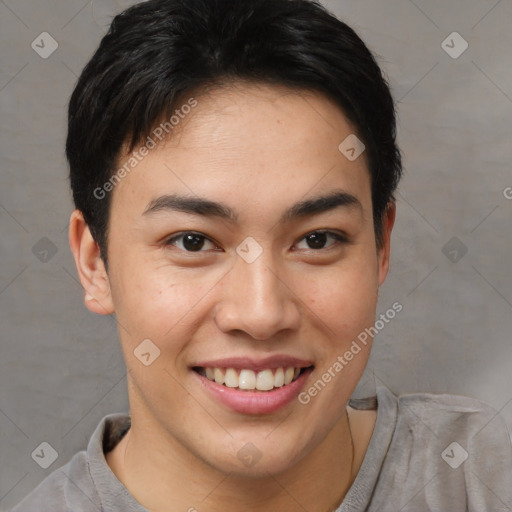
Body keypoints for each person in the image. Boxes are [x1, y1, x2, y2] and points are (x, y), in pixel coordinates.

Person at [10, 0, 512, 511]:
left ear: (382, 245)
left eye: (317, 239)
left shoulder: (483, 478)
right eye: (193, 241)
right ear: (96, 263)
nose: (261, 313)